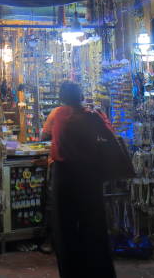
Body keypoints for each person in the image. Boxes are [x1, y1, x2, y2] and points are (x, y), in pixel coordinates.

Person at [46, 81, 116, 278]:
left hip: (63, 176)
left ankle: (70, 271)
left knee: (64, 227)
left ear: (62, 97)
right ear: (81, 96)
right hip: (88, 175)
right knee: (93, 224)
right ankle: (98, 270)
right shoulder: (92, 116)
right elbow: (110, 137)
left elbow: (46, 134)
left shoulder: (57, 115)